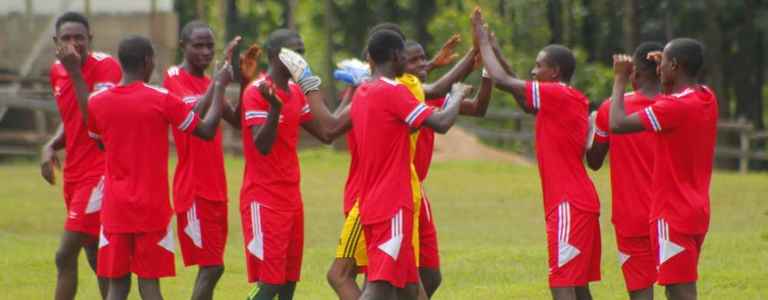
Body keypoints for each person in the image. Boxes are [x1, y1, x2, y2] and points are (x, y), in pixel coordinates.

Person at [77, 35, 231, 300]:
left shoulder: (96, 102)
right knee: (150, 285)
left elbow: (100, 143)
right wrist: (218, 86)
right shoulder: (162, 99)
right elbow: (205, 130)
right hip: (152, 209)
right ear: (148, 62)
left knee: (117, 286)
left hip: (115, 209)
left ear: (121, 63)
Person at [471, 8, 601, 300]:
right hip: (578, 202)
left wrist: (481, 41)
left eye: (538, 65)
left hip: (569, 203)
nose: (532, 70)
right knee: (577, 284)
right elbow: (523, 99)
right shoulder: (563, 99)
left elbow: (504, 81)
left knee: (562, 281)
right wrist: (496, 50)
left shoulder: (558, 95)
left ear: (554, 72)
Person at [344, 29, 471, 300]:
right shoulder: (394, 92)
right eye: (405, 54)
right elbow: (442, 123)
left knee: (409, 289)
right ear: (394, 56)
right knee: (379, 287)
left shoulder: (364, 91)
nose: (409, 59)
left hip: (373, 200)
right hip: (392, 204)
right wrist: (458, 94)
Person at [608, 38, 717, 300]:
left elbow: (618, 123)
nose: (659, 68)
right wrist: (666, 70)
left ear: (676, 66)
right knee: (679, 286)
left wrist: (620, 79)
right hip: (697, 210)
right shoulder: (706, 97)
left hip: (672, 214)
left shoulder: (673, 107)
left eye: (665, 62)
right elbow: (674, 99)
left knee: (680, 292)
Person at [240, 28, 337, 300]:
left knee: (288, 284)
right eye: (294, 52)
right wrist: (275, 109)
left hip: (292, 199)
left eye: (303, 53)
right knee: (269, 284)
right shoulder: (257, 91)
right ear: (274, 55)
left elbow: (327, 133)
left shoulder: (295, 91)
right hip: (264, 199)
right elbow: (262, 145)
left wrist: (356, 91)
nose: (300, 59)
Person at [402, 39, 493, 298]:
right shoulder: (400, 95)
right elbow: (443, 108)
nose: (422, 64)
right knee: (388, 278)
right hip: (395, 192)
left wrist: (488, 70)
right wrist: (478, 49)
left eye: (423, 58)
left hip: (416, 190)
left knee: (430, 275)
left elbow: (478, 108)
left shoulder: (424, 93)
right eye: (414, 60)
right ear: (396, 62)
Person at [44, 11, 122, 300]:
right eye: (66, 38)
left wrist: (76, 72)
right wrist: (50, 145)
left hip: (99, 171)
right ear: (56, 41)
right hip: (74, 174)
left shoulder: (106, 68)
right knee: (94, 250)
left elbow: (96, 121)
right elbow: (72, 119)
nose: (73, 43)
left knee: (65, 254)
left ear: (91, 39)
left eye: (80, 38)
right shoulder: (56, 70)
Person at [161, 20, 241, 300]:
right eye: (198, 45)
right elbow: (191, 115)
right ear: (183, 47)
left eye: (210, 46)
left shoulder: (210, 82)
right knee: (212, 267)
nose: (206, 51)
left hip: (216, 189)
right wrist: (218, 85)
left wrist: (244, 79)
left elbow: (239, 121)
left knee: (213, 267)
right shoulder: (173, 76)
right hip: (193, 189)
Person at [585, 42, 663, 300]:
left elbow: (594, 160)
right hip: (672, 214)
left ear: (634, 75)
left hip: (632, 217)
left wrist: (592, 125)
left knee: (641, 292)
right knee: (681, 289)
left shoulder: (612, 108)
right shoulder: (679, 105)